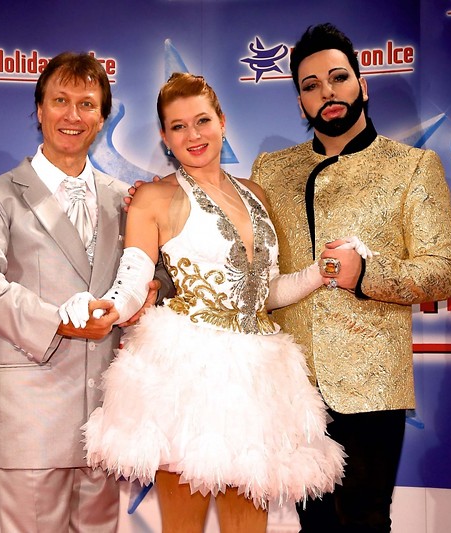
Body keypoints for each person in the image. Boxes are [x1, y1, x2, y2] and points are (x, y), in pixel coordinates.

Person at [61, 72, 379, 532]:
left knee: (248, 526)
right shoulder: (153, 197)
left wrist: (321, 272)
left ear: (222, 121)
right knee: (182, 527)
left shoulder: (256, 193)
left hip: (259, 375)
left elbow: (265, 292)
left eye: (202, 121)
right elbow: (132, 280)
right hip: (187, 374)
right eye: (178, 126)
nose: (193, 135)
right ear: (164, 137)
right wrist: (111, 307)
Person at [250, 23, 451, 532]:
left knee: (364, 521)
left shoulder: (412, 167)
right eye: (311, 85)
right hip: (296, 383)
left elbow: (442, 274)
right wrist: (160, 197)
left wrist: (366, 273)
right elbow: (246, 259)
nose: (327, 92)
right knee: (314, 525)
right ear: (301, 103)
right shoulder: (270, 170)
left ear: (362, 85)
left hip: (372, 383)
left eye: (338, 78)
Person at [0, 51, 168, 533]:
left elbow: (155, 276)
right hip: (31, 415)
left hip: (106, 416)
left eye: (87, 104)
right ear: (40, 110)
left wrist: (149, 293)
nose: (73, 115)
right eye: (60, 101)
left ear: (103, 117)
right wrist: (60, 322)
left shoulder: (127, 199)